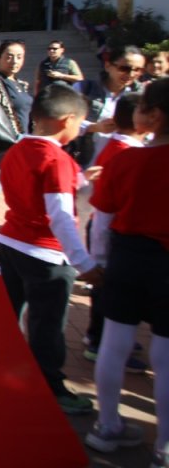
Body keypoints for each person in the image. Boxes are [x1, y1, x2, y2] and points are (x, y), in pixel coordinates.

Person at [0, 85, 98, 415]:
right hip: (46, 254)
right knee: (47, 324)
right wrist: (83, 260)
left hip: (11, 243)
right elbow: (62, 216)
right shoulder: (57, 159)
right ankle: (50, 386)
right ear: (68, 120)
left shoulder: (16, 150)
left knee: (10, 314)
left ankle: (0, 370)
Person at [87, 78, 169, 462]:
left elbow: (102, 220)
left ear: (151, 115)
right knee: (165, 357)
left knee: (114, 344)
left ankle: (108, 425)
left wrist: (98, 262)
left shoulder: (125, 161)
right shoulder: (128, 157)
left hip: (127, 258)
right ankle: (164, 446)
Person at [0, 41, 33, 241]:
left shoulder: (21, 84)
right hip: (2, 141)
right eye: (9, 56)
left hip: (22, 142)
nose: (14, 61)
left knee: (12, 188)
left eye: (19, 56)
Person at [73, 46, 146, 167]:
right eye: (124, 68)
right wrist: (94, 127)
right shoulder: (84, 89)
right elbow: (65, 120)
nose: (131, 74)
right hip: (86, 164)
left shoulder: (141, 96)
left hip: (123, 163)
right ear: (108, 66)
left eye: (138, 70)